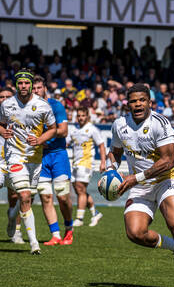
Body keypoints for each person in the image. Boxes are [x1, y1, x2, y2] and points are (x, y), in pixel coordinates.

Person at [104, 83, 174, 287]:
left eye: (142, 100)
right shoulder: (119, 124)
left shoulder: (160, 122)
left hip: (165, 181)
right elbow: (115, 152)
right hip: (139, 187)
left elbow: (168, 161)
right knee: (135, 233)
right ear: (127, 104)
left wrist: (135, 178)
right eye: (133, 101)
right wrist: (109, 170)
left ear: (150, 102)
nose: (137, 104)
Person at [0, 69, 56, 254]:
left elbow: (53, 129)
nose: (23, 86)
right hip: (14, 155)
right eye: (20, 83)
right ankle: (34, 244)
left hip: (35, 158)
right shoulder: (7, 104)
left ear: (31, 84)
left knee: (26, 198)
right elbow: (1, 123)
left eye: (26, 83)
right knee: (24, 196)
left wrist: (40, 140)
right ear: (16, 84)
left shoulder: (42, 105)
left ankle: (11, 216)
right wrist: (2, 131)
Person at [32, 75, 74, 245]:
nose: (36, 91)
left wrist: (42, 136)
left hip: (58, 155)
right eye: (33, 89)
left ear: (45, 88)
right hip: (40, 157)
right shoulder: (29, 109)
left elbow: (63, 131)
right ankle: (55, 235)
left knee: (63, 196)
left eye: (39, 88)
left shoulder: (56, 106)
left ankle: (69, 229)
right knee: (45, 196)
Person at [68, 107, 106, 227]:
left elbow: (101, 145)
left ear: (88, 117)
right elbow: (66, 142)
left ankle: (79, 218)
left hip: (86, 163)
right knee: (80, 190)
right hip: (75, 163)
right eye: (78, 115)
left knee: (80, 189)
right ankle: (95, 213)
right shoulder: (74, 130)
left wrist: (103, 162)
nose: (80, 118)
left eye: (83, 115)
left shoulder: (92, 129)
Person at [0, 87, 24, 244]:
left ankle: (16, 230)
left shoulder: (21, 115)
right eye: (1, 97)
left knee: (19, 196)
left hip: (16, 161)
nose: (3, 99)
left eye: (7, 96)